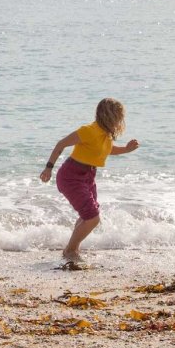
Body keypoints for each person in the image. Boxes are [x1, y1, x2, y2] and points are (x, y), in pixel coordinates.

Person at [40, 98, 139, 261]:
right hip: (71, 176)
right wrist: (48, 168)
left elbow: (107, 150)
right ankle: (70, 250)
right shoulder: (88, 130)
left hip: (88, 176)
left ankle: (73, 249)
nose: (120, 121)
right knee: (93, 218)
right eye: (118, 117)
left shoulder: (106, 135)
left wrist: (126, 150)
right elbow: (61, 144)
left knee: (88, 215)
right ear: (109, 116)